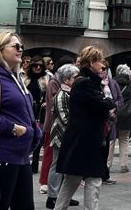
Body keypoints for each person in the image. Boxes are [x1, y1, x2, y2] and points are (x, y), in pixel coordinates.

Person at [0, 32, 42, 210]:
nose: (20, 50)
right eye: (15, 46)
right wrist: (13, 128)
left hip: (20, 155)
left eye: (21, 47)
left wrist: (35, 130)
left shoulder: (14, 77)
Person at [54, 47, 116, 210]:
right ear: (90, 63)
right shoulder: (85, 83)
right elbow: (103, 104)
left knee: (74, 179)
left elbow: (101, 104)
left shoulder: (88, 82)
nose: (102, 65)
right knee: (92, 179)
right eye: (99, 61)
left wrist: (106, 102)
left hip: (83, 139)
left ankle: (59, 208)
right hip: (85, 139)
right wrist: (109, 103)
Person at [47, 64, 80, 209]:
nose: (77, 79)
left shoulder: (69, 93)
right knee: (56, 165)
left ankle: (63, 195)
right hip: (61, 135)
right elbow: (65, 118)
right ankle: (52, 196)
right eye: (75, 77)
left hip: (66, 135)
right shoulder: (62, 95)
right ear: (66, 80)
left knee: (64, 166)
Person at [24, 57, 49, 174]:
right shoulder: (25, 79)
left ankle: (34, 163)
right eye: (35, 65)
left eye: (40, 65)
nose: (38, 67)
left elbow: (51, 94)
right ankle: (25, 161)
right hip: (27, 110)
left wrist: (46, 102)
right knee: (26, 135)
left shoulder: (46, 78)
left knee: (38, 136)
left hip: (40, 111)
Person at [112, 64, 131, 174]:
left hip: (114, 113)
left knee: (111, 140)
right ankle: (124, 164)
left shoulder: (112, 83)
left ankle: (107, 164)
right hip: (127, 115)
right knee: (124, 139)